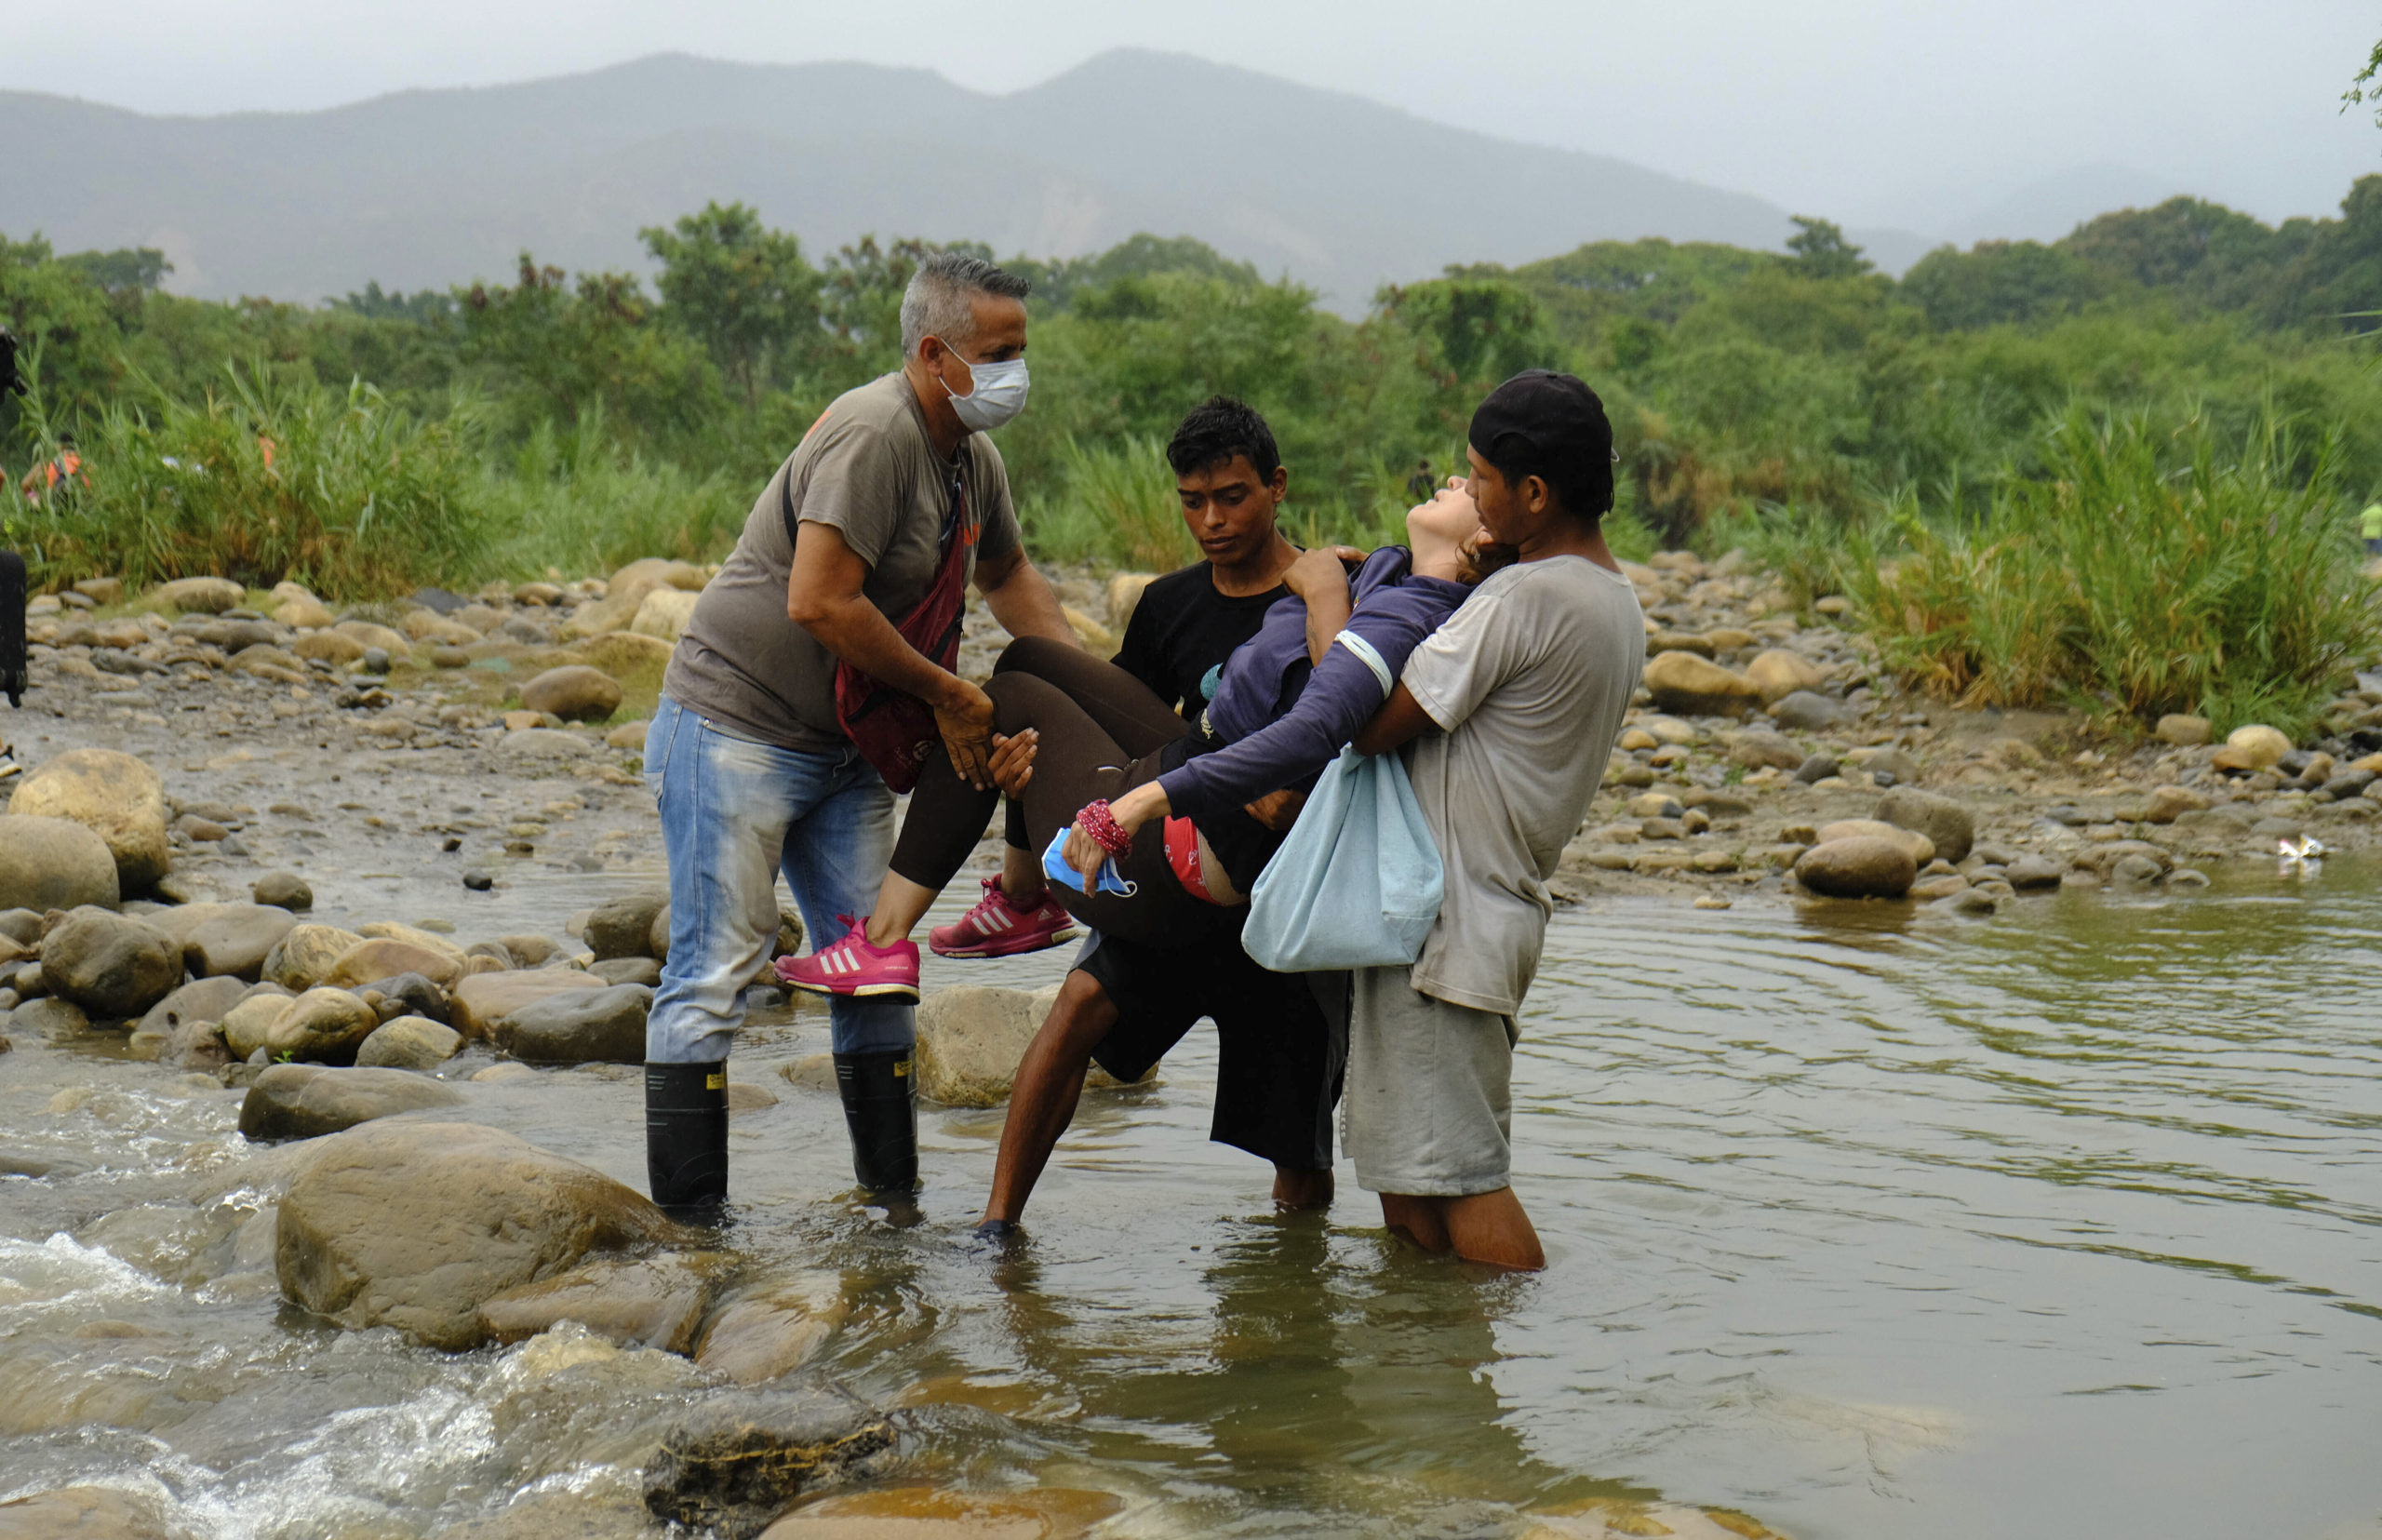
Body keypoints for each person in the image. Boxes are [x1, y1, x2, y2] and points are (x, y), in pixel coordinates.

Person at [785, 398, 1354, 1229]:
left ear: (1277, 487)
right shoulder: (1169, 606)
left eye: (1232, 497)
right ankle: (995, 1228)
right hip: (1178, 857)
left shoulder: (1325, 590)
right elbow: (1117, 743)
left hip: (1280, 892)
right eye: (1192, 501)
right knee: (1078, 1002)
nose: (1212, 520)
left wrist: (1329, 591)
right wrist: (1030, 771)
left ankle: (1291, 1306)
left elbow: (1346, 718)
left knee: (1298, 1152)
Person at [641, 252, 1077, 1218]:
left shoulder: (973, 458)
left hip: (848, 751)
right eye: (998, 352)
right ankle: (693, 1232)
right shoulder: (873, 433)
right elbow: (819, 602)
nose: (1015, 372)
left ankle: (893, 1212)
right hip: (736, 727)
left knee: (876, 971)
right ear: (935, 353)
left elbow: (1010, 583)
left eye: (1019, 350)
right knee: (713, 971)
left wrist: (1092, 694)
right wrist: (953, 698)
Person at [1343, 369, 1646, 1272]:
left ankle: (1507, 1358)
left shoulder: (1526, 598)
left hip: (1450, 928)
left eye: (1478, 477)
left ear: (1534, 493)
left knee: (1463, 1177)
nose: (1467, 492)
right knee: (1413, 1178)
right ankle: (1440, 1365)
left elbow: (1365, 717)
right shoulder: (1605, 596)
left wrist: (1329, 594)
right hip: (1480, 915)